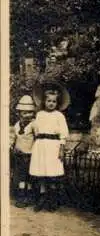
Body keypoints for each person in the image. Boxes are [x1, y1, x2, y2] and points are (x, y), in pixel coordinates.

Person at [30, 81, 70, 212]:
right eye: (48, 101)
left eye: (54, 101)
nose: (51, 103)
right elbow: (35, 130)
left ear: (57, 103)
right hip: (41, 146)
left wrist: (61, 149)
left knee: (52, 173)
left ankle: (52, 199)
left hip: (53, 146)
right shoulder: (39, 114)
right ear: (44, 101)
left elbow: (63, 133)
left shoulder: (59, 116)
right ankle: (41, 198)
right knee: (41, 172)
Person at [11, 95, 36, 208]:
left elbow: (37, 138)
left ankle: (29, 196)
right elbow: (14, 138)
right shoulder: (17, 125)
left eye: (30, 112)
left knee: (29, 176)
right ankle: (21, 196)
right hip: (19, 154)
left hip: (30, 154)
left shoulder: (34, 125)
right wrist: (12, 146)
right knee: (20, 176)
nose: (28, 115)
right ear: (19, 113)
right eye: (25, 113)